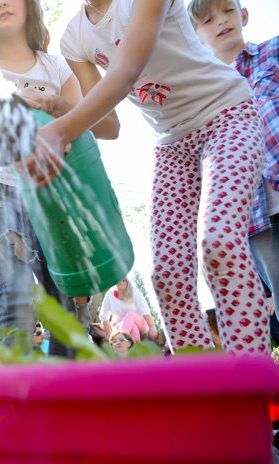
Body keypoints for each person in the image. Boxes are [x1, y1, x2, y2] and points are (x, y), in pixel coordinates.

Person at [39, 0, 271, 354]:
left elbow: (127, 71)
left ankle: (251, 375)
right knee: (167, 275)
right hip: (172, 145)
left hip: (227, 115)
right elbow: (108, 124)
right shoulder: (74, 37)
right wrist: (62, 110)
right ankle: (201, 384)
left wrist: (60, 131)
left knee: (220, 240)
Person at [0, 0, 111, 343]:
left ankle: (63, 393)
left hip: (50, 193)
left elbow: (83, 124)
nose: (1, 4)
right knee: (18, 299)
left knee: (67, 304)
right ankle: (12, 396)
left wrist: (59, 110)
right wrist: (5, 103)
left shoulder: (56, 68)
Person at [188, 0, 279, 344]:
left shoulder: (273, 52)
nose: (220, 22)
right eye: (207, 20)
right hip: (257, 215)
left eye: (227, 11)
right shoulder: (203, 95)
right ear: (196, 37)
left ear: (243, 15)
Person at [99, 277, 158, 342]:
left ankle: (120, 337)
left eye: (123, 280)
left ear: (127, 282)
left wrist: (153, 328)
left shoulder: (134, 291)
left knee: (131, 314)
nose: (120, 282)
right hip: (119, 325)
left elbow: (145, 310)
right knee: (133, 328)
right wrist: (109, 333)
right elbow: (103, 315)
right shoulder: (109, 294)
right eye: (117, 280)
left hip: (139, 323)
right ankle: (136, 348)